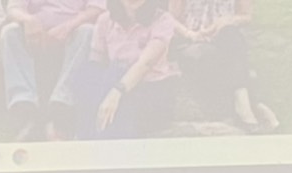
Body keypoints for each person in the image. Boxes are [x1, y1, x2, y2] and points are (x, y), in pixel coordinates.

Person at [0, 0, 106, 140]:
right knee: (10, 32)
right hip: (35, 34)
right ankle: (24, 107)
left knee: (88, 31)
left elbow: (97, 8)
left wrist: (68, 27)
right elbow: (13, 8)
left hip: (74, 31)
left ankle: (61, 108)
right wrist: (29, 20)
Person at [79, 0, 183, 139]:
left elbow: (145, 64)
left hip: (151, 88)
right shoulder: (105, 20)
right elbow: (97, 63)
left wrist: (116, 92)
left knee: (116, 78)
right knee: (89, 77)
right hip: (113, 85)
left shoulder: (163, 20)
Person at [169, 0, 277, 132]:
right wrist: (190, 34)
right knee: (220, 55)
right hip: (191, 38)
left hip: (224, 38)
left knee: (231, 35)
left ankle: (243, 105)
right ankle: (253, 105)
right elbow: (170, 19)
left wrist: (226, 21)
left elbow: (246, 16)